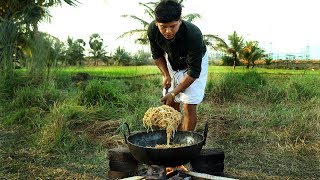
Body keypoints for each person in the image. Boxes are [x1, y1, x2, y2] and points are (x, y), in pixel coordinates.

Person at [147, 0, 208, 131]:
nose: (168, 31)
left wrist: (174, 93)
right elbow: (157, 55)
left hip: (195, 64)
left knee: (188, 105)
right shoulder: (152, 29)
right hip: (173, 61)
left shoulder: (193, 34)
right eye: (163, 26)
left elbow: (193, 72)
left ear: (180, 20)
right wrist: (166, 75)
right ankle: (175, 136)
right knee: (172, 103)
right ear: (157, 23)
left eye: (173, 26)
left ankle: (186, 141)